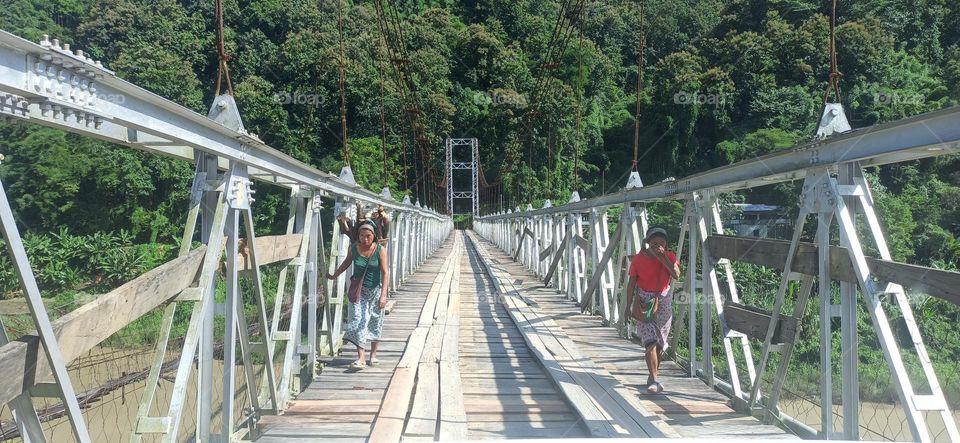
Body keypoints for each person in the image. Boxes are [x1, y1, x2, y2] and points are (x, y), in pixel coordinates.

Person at [328, 220, 389, 369]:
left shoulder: (380, 250)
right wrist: (334, 275)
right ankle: (361, 358)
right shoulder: (354, 248)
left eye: (368, 236)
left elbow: (385, 273)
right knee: (358, 319)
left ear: (373, 236)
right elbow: (347, 263)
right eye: (362, 236)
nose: (365, 239)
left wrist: (383, 295)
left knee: (375, 321)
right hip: (359, 292)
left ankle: (373, 355)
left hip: (375, 291)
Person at [626, 227, 681, 393]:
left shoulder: (669, 256)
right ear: (647, 243)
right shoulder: (638, 259)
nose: (658, 246)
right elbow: (631, 284)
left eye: (662, 243)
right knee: (650, 341)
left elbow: (676, 275)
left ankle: (653, 376)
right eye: (655, 243)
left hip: (663, 302)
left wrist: (663, 257)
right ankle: (655, 380)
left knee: (659, 343)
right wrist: (627, 306)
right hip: (643, 302)